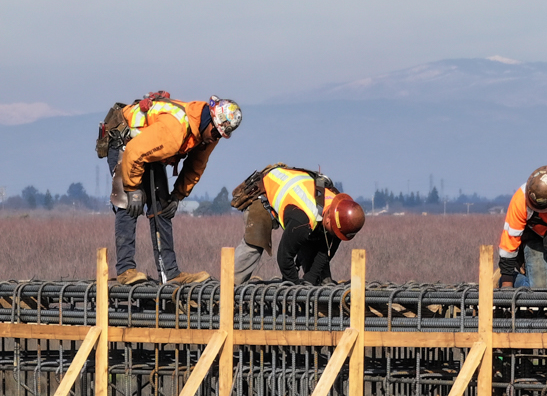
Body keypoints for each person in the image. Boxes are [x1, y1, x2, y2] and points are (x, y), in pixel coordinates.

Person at [103, 93, 242, 285]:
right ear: (209, 120)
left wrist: (177, 195)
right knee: (128, 204)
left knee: (162, 207)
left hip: (150, 150)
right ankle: (125, 270)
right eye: (216, 133)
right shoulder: (175, 130)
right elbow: (135, 152)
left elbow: (196, 165)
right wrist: (132, 188)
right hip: (125, 144)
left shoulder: (207, 134)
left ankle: (170, 274)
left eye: (220, 135)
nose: (215, 138)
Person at [231, 165, 366, 285]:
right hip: (264, 192)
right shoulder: (303, 220)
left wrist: (310, 280)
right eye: (334, 231)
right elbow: (284, 258)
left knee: (317, 239)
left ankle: (322, 297)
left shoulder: (340, 214)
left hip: (299, 204)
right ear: (329, 218)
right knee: (255, 242)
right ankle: (229, 288)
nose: (335, 235)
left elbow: (325, 252)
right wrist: (295, 290)